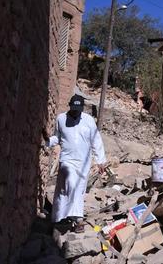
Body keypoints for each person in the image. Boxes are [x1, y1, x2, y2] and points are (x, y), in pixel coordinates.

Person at [44, 94, 107, 231]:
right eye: (73, 108)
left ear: (82, 108)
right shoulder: (61, 119)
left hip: (83, 162)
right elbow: (58, 137)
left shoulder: (89, 121)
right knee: (71, 183)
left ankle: (61, 217)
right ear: (70, 106)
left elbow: (96, 140)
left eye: (78, 109)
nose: (75, 111)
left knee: (75, 189)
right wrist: (47, 141)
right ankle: (78, 219)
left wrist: (100, 160)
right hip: (67, 160)